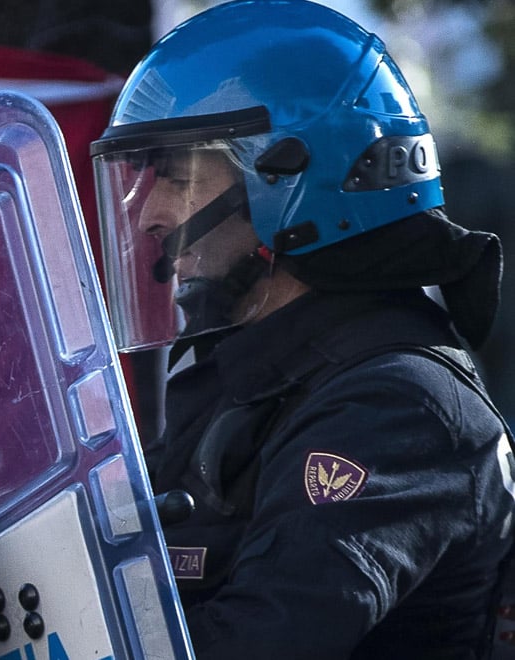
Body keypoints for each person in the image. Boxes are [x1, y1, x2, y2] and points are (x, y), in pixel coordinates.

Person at [89, 1, 515, 657]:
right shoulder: (249, 366)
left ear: (286, 179)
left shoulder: (397, 407)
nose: (147, 214)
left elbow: (253, 644)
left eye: (176, 176)